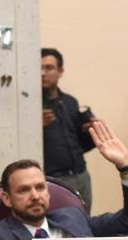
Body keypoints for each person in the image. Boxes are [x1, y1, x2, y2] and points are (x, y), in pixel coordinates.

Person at [0, 121, 128, 240]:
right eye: (24, 190)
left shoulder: (73, 218)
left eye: (40, 187)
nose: (35, 196)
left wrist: (125, 167)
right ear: (7, 199)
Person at [40, 48, 98, 208]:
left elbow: (78, 144)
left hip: (81, 174)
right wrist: (36, 127)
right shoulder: (31, 106)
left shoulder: (70, 102)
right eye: (39, 68)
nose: (43, 73)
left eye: (49, 68)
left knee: (84, 225)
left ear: (60, 71)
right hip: (52, 179)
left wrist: (90, 131)